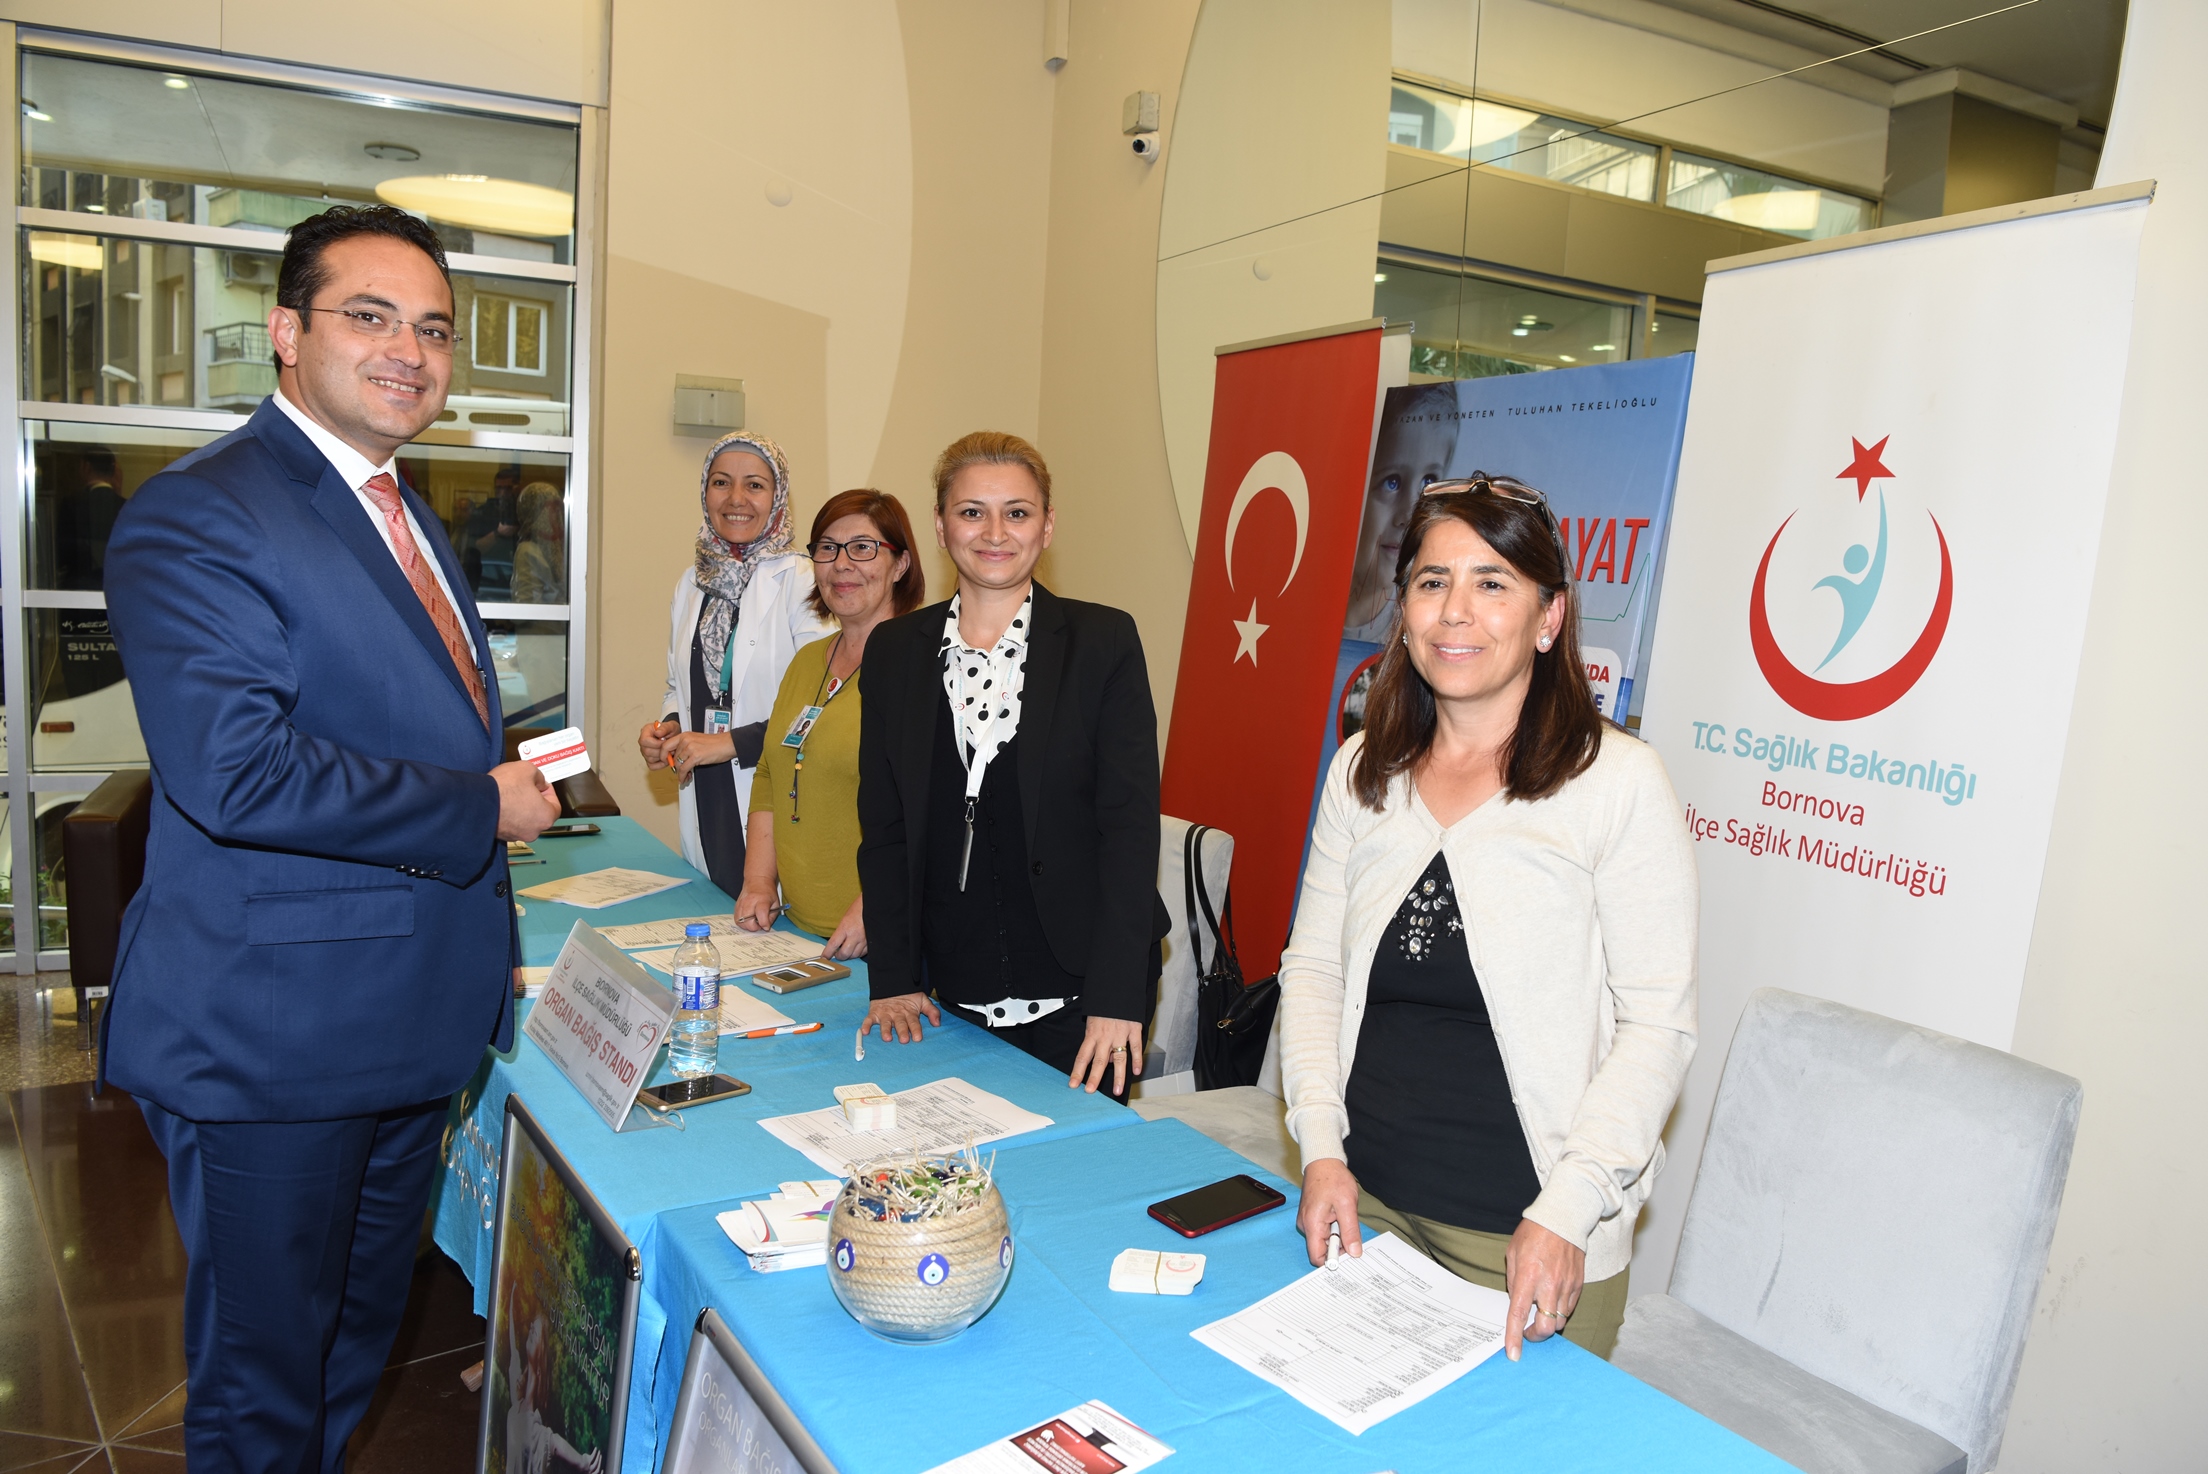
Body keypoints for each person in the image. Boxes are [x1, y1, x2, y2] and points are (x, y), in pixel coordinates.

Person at [100, 204, 563, 1471]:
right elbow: (237, 772)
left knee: (349, 1347)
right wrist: (482, 805)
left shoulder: (400, 510)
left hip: (402, 1029)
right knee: (264, 1386)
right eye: (371, 316)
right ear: (286, 331)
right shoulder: (204, 512)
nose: (409, 350)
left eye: (434, 329)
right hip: (273, 1040)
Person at [1281, 473, 1696, 1362]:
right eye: (1432, 581)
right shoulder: (1363, 770)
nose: (1455, 611)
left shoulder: (1618, 783)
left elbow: (1657, 1027)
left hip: (1527, 1241)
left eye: (1492, 582)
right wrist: (1319, 1149)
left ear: (1550, 618)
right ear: (1404, 612)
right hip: (1361, 1207)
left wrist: (1568, 1211)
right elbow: (1312, 970)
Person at [856, 431, 1167, 1100]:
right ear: (941, 525)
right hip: (947, 1002)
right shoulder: (893, 652)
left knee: (1075, 1163)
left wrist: (1117, 998)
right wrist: (893, 978)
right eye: (972, 512)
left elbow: (1130, 830)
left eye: (1017, 512)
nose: (994, 532)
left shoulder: (1104, 641)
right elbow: (885, 831)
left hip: (1085, 1003)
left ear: (1047, 526)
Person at [637, 433, 832, 896]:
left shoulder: (805, 581)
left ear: (778, 496)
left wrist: (729, 743)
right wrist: (669, 727)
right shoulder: (692, 583)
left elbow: (825, 703)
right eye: (721, 482)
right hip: (706, 794)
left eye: (755, 485)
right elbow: (677, 684)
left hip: (774, 791)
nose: (736, 499)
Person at [736, 489, 925, 957]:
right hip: (795, 930)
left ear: (900, 565)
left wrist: (875, 904)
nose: (841, 564)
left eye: (863, 547)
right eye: (827, 548)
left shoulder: (923, 667)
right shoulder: (806, 662)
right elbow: (770, 774)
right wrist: (758, 882)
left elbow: (931, 810)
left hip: (884, 933)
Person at [1343, 383, 1459, 641]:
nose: (1409, 515)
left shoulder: (1425, 628)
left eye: (1428, 482)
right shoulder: (1306, 601)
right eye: (1392, 482)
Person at [510, 480, 566, 604]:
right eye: (553, 509)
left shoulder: (562, 549)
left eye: (559, 509)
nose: (558, 516)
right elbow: (526, 604)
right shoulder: (528, 551)